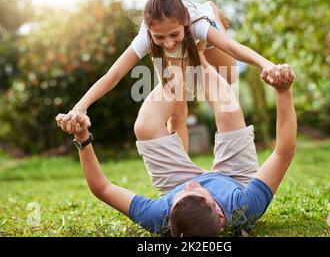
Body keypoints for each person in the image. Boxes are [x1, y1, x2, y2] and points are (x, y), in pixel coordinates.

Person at [55, 56, 297, 237]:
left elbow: (102, 188)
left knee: (146, 126)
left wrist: (83, 137)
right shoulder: (244, 205)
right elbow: (283, 151)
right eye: (197, 192)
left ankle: (179, 67)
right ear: (220, 214)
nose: (192, 184)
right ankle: (198, 53)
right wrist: (283, 91)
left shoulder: (160, 214)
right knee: (228, 110)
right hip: (236, 179)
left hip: (175, 185)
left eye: (181, 196)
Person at [61, 0, 276, 152]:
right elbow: (113, 75)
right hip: (169, 54)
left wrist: (267, 64)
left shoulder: (198, 22)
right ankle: (181, 177)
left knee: (229, 77)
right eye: (160, 37)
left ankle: (209, 20)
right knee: (176, 108)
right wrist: (80, 107)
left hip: (203, 34)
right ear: (150, 30)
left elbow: (233, 48)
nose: (169, 42)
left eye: (173, 34)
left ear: (183, 23)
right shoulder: (148, 37)